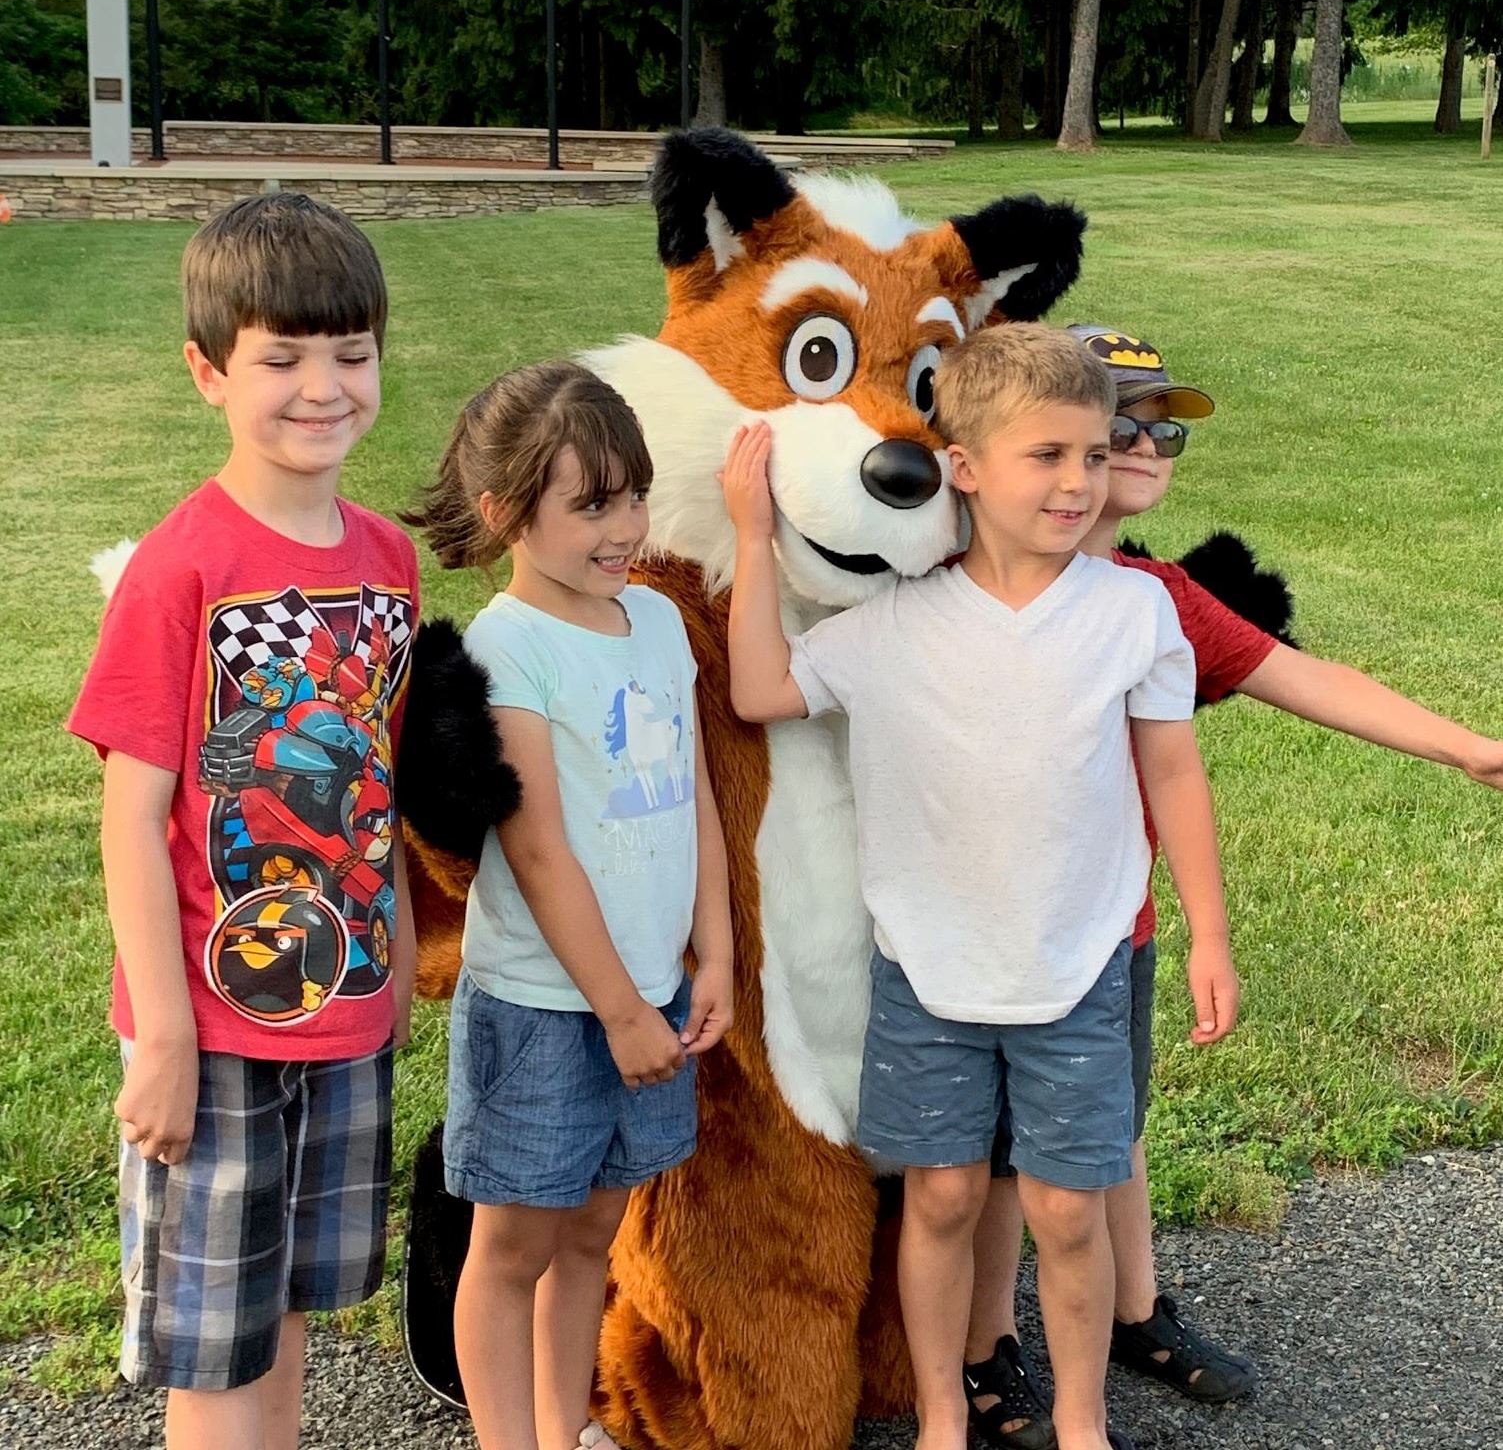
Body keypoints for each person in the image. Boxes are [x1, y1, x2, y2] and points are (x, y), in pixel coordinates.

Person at [962, 323, 1503, 1449]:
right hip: (988, 927)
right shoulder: (969, 578)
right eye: (1129, 419)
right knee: (1002, 1159)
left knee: (1107, 1128)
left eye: (1167, 427)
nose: (1151, 443)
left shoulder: (1155, 596)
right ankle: (984, 1353)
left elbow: (1307, 676)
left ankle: (1134, 1312)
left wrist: (1469, 748)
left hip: (1117, 924)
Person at [718, 321, 1240, 1450]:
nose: (1077, 482)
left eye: (1094, 455)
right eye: (1045, 456)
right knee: (944, 1199)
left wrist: (1207, 934)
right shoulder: (891, 627)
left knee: (1065, 1208)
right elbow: (759, 689)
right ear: (964, 467)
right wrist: (753, 537)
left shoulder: (1135, 612)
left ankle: (1086, 1422)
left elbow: (1173, 771)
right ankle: (945, 1415)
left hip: (1080, 966)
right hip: (927, 969)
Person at [67, 192, 418, 1450]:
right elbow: (130, 819)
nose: (323, 386)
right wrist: (161, 1034)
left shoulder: (386, 556)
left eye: (351, 353)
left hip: (348, 1012)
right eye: (283, 358)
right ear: (209, 372)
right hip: (213, 1031)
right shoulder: (183, 568)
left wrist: (401, 961)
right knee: (213, 1349)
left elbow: (374, 778)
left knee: (287, 1320)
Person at [403, 361, 734, 1450]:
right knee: (513, 1247)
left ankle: (562, 1428)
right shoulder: (509, 650)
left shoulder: (655, 623)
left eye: (631, 495)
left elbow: (694, 802)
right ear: (506, 513)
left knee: (594, 1228)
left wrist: (713, 957)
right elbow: (540, 854)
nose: (624, 527)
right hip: (547, 1012)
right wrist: (624, 1014)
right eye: (590, 505)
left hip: (653, 991)